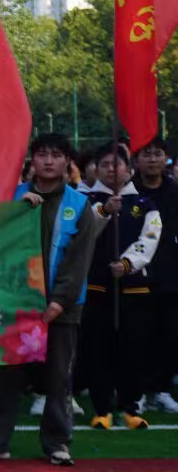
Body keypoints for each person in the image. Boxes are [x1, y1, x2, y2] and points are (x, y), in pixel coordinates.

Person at [0, 134, 108, 466]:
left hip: (62, 307)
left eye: (56, 155)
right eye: (42, 154)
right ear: (32, 161)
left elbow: (79, 260)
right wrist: (16, 212)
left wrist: (59, 301)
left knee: (59, 377)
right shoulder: (12, 197)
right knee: (7, 375)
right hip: (15, 303)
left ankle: (57, 442)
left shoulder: (79, 205)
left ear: (68, 162)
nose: (49, 161)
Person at [79, 143, 162, 431]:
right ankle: (102, 409)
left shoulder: (145, 203)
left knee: (134, 347)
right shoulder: (85, 200)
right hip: (97, 286)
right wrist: (104, 211)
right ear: (95, 170)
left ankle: (131, 407)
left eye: (117, 164)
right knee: (98, 348)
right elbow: (81, 233)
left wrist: (127, 263)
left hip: (134, 287)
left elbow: (150, 237)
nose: (111, 170)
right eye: (104, 164)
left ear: (129, 170)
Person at [130, 137, 178, 415]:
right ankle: (136, 392)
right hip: (136, 276)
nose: (152, 159)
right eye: (146, 154)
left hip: (170, 276)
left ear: (165, 158)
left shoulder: (174, 192)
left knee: (169, 335)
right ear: (136, 160)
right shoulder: (128, 192)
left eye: (157, 154)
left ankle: (161, 389)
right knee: (138, 336)